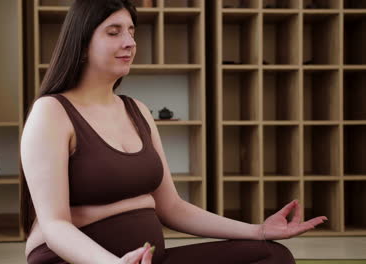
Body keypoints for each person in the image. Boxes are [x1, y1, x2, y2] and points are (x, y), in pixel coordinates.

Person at [20, 0, 327, 263]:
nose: (129, 42)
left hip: (150, 258)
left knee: (272, 255)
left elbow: (172, 207)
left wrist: (258, 230)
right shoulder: (52, 112)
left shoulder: (136, 110)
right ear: (82, 44)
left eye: (131, 31)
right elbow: (55, 226)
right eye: (114, 32)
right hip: (80, 261)